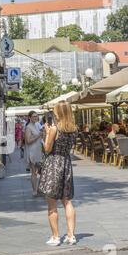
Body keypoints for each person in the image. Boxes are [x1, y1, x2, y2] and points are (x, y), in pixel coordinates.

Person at [38, 101, 77, 246]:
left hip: (53, 164)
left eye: (55, 111)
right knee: (67, 201)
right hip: (66, 163)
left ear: (59, 113)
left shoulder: (55, 129)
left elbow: (47, 149)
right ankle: (71, 235)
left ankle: (55, 236)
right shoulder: (74, 129)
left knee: (52, 203)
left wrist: (47, 134)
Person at [25, 111, 44, 197]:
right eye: (33, 116)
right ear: (29, 117)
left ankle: (40, 189)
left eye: (36, 116)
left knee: (41, 171)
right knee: (34, 172)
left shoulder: (37, 125)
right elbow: (28, 141)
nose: (35, 118)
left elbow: (41, 137)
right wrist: (38, 136)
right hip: (32, 152)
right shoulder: (28, 127)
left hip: (38, 151)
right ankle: (35, 191)